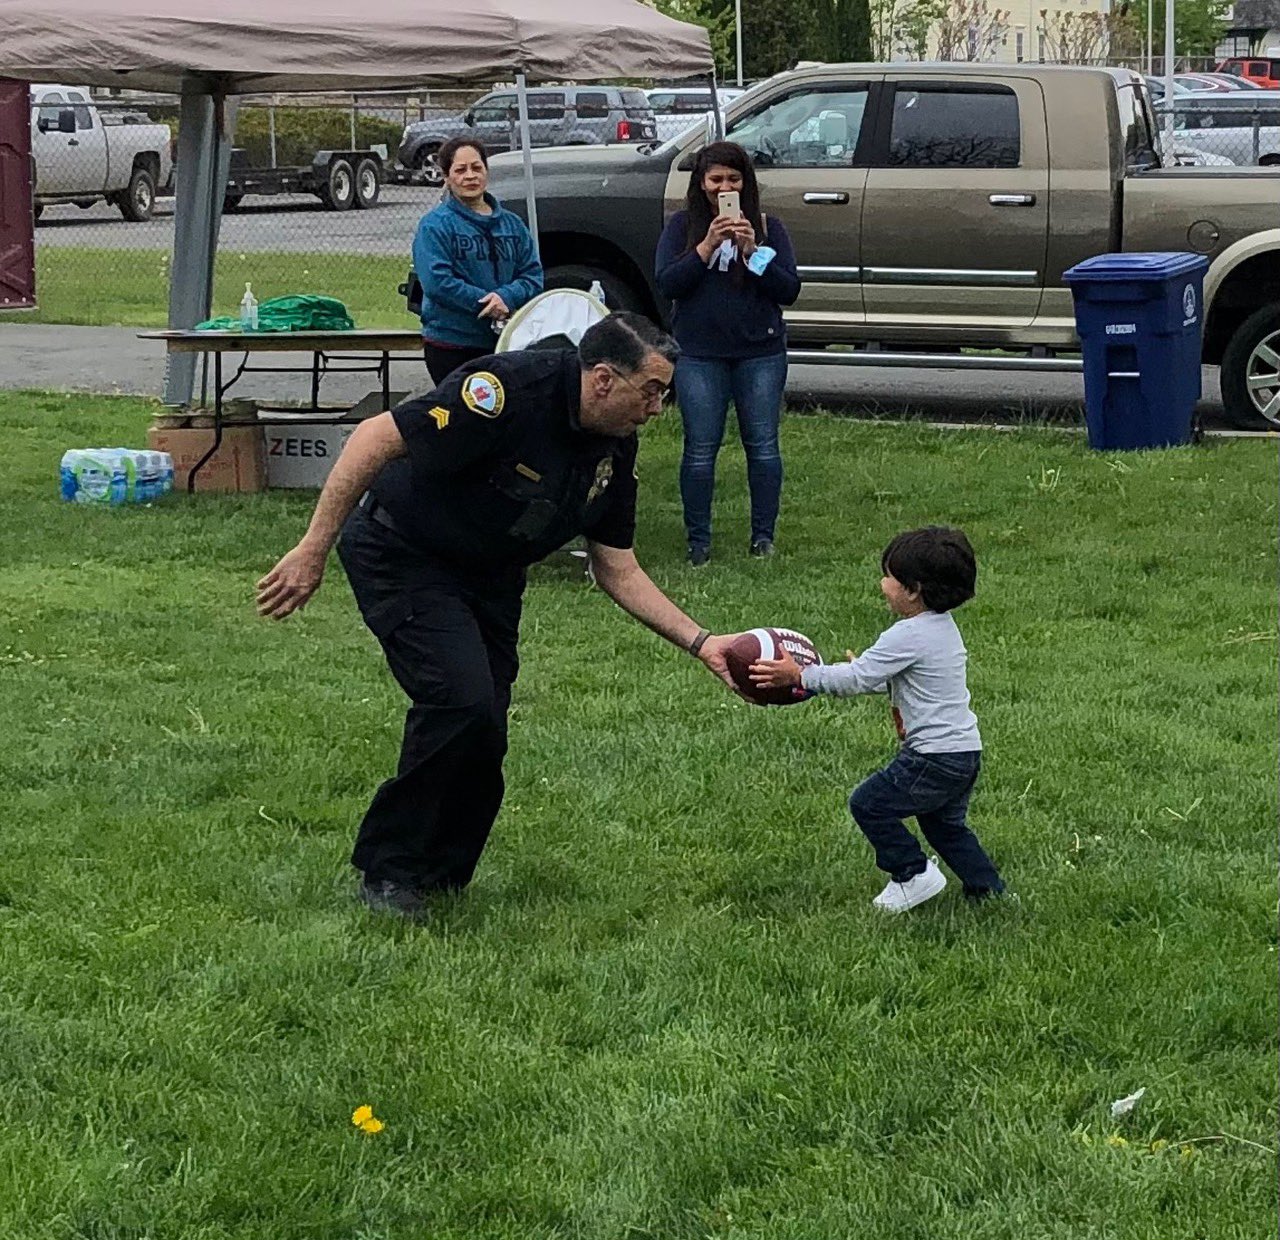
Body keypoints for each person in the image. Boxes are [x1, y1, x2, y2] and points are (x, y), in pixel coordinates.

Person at [256, 313, 743, 919]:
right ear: (601, 379)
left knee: (485, 721)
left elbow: (617, 568)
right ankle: (391, 871)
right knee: (457, 701)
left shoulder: (614, 445)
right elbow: (375, 437)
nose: (658, 408)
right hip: (403, 551)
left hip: (488, 574)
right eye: (651, 391)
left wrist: (703, 644)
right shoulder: (506, 391)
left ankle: (442, 878)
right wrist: (312, 549)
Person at [750, 527, 1006, 914]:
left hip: (931, 756)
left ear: (913, 589)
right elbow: (897, 681)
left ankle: (911, 873)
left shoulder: (907, 634)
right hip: (964, 751)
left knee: (869, 804)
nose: (882, 583)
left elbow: (855, 680)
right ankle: (988, 893)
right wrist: (866, 673)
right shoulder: (942, 629)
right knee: (945, 827)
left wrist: (799, 676)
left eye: (889, 576)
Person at [654, 141, 801, 566]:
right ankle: (698, 542)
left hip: (760, 352)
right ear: (701, 184)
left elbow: (788, 289)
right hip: (700, 352)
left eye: (733, 179)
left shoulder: (769, 228)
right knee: (700, 450)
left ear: (746, 184)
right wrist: (705, 247)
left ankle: (763, 537)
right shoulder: (681, 227)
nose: (724, 187)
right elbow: (668, 284)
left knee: (764, 447)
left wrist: (753, 254)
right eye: (716, 179)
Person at [412, 137, 543, 385]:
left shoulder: (513, 225)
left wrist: (507, 297)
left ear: (486, 171)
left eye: (476, 168)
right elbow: (437, 282)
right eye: (460, 170)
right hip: (452, 345)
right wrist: (486, 304)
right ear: (447, 176)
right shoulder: (434, 226)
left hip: (506, 344)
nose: (470, 176)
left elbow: (532, 275)